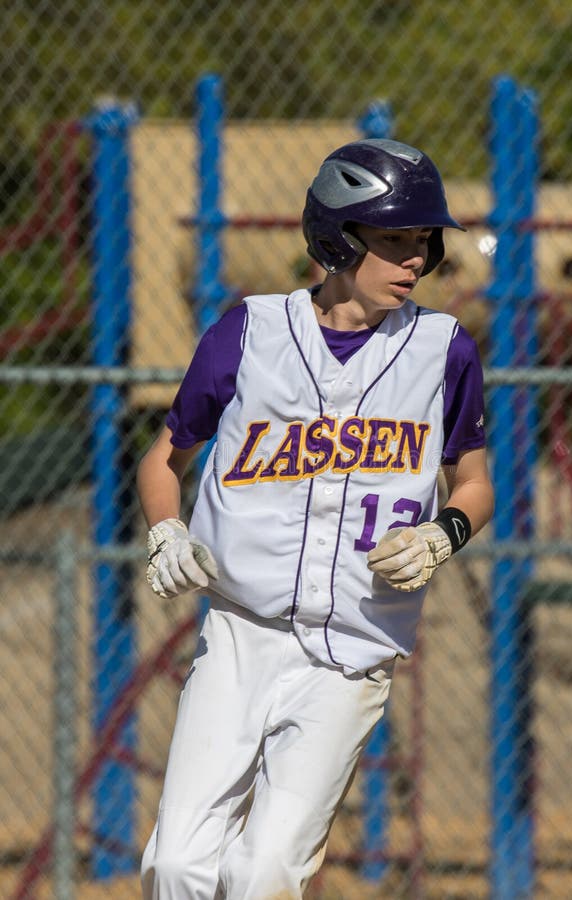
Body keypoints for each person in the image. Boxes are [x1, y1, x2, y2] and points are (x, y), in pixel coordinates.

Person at [138, 137, 494, 899]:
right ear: (336, 239)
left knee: (264, 869)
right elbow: (162, 457)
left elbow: (474, 483)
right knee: (176, 866)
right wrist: (166, 529)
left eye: (422, 243)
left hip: (352, 653)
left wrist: (443, 533)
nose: (415, 260)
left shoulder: (442, 350)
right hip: (240, 634)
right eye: (394, 239)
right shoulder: (250, 332)